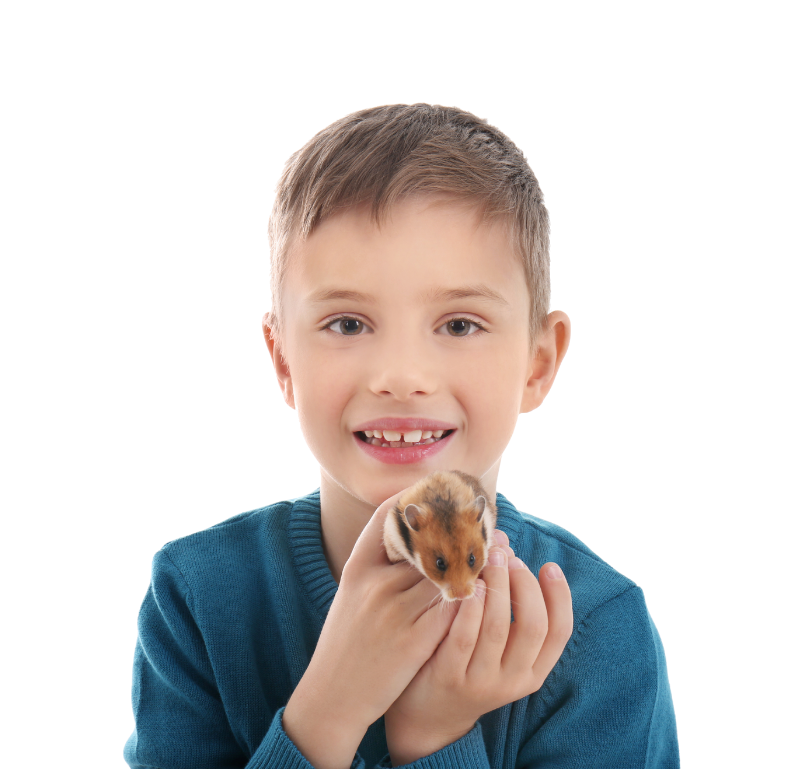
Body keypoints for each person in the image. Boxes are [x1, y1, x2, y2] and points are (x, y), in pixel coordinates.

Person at [123, 103, 680, 768]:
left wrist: (433, 736)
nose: (402, 376)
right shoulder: (196, 596)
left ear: (539, 363)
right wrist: (328, 709)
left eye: (460, 324)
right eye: (349, 323)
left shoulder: (595, 626)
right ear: (281, 362)